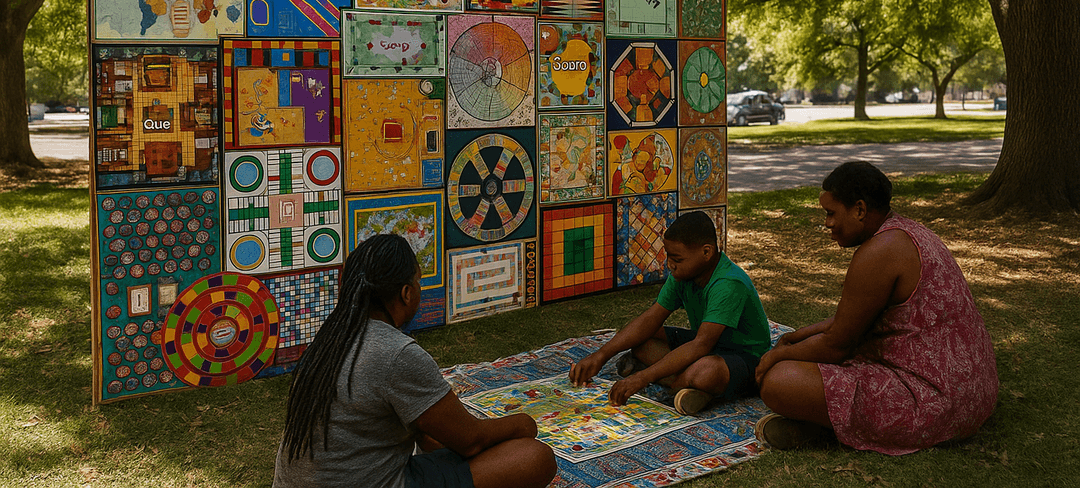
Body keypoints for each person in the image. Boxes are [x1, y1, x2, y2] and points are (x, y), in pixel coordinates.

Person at [273, 234, 557, 488]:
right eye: (418, 280)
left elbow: (429, 437)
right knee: (534, 457)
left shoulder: (329, 339)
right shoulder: (396, 353)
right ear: (406, 293)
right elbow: (472, 440)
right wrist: (523, 424)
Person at [754, 161, 998, 454]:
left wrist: (778, 356)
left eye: (831, 213)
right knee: (803, 357)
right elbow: (857, 319)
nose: (827, 223)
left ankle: (825, 431)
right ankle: (823, 426)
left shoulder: (879, 252)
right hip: (974, 395)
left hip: (934, 404)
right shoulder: (909, 232)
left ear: (859, 209)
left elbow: (836, 346)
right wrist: (803, 334)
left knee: (779, 382)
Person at [568, 211, 771, 415]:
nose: (670, 265)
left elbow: (702, 344)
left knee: (705, 372)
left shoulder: (728, 283)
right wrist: (600, 355)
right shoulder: (682, 275)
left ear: (707, 252)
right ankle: (687, 387)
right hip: (709, 347)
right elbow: (650, 319)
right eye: (668, 257)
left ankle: (685, 383)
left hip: (744, 357)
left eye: (677, 259)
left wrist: (643, 377)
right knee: (642, 341)